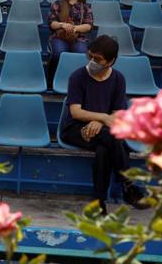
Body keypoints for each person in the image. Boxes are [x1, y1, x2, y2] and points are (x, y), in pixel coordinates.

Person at [60, 35, 147, 214]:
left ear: (111, 61)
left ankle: (98, 203)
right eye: (90, 56)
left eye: (98, 59)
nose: (92, 61)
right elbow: (75, 112)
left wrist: (100, 121)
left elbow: (117, 114)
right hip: (75, 128)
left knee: (104, 149)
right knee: (113, 139)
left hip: (104, 131)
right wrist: (102, 118)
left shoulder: (118, 79)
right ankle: (128, 185)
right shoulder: (78, 76)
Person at [47, 0, 93, 84]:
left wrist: (74, 28)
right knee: (59, 53)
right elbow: (51, 23)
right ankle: (52, 81)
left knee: (81, 52)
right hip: (59, 37)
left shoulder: (86, 6)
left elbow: (89, 25)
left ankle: (77, 82)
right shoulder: (57, 4)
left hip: (79, 37)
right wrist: (63, 25)